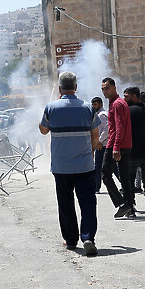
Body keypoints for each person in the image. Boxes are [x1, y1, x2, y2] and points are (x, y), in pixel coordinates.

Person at [39, 71, 101, 256]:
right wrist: (90, 153)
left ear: (59, 88)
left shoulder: (51, 107)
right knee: (88, 202)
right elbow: (96, 136)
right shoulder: (88, 107)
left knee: (65, 203)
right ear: (76, 87)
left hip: (61, 167)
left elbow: (43, 131)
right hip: (84, 165)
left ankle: (71, 239)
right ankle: (88, 237)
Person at [100, 77, 135, 218]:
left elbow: (119, 127)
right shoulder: (118, 103)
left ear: (114, 87)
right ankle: (130, 209)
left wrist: (116, 147)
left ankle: (122, 204)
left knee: (105, 174)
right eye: (102, 89)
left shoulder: (117, 104)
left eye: (106, 88)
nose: (104, 91)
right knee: (124, 177)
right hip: (124, 144)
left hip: (116, 145)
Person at [90, 97, 108, 193]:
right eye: (92, 104)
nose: (93, 106)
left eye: (95, 104)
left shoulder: (101, 115)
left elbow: (106, 130)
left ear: (100, 104)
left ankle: (96, 187)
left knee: (98, 167)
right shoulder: (98, 114)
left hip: (102, 145)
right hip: (101, 144)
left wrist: (99, 141)